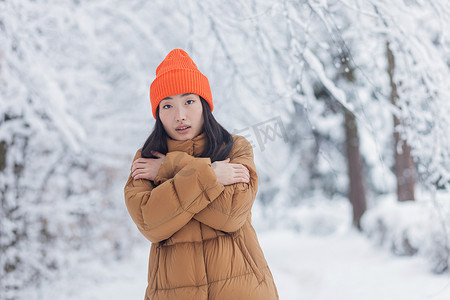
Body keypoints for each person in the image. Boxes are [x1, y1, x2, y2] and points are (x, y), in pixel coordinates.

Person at [124, 49, 279, 300]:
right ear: (158, 113)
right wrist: (212, 175)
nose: (180, 115)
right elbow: (151, 224)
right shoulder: (146, 159)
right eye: (168, 105)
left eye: (188, 101)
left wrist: (171, 167)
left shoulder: (235, 147)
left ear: (204, 104)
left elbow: (230, 215)